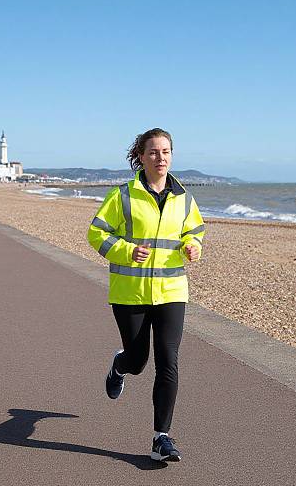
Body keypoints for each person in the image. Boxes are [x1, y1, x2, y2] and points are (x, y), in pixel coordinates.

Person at [87, 128, 205, 462]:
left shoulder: (184, 197)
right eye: (153, 152)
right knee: (139, 361)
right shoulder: (122, 195)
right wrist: (125, 251)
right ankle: (119, 366)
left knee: (168, 360)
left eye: (166, 151)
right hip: (130, 293)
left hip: (171, 291)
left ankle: (161, 438)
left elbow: (194, 230)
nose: (160, 158)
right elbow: (96, 232)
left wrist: (192, 246)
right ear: (140, 156)